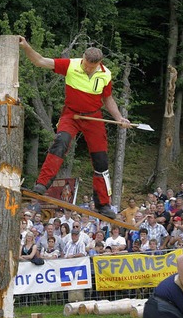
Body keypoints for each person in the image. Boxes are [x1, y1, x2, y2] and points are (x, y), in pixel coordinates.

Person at [19, 37, 130, 219]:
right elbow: (39, 61)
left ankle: (103, 204)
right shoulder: (71, 65)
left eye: (91, 66)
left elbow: (108, 99)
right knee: (60, 142)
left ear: (99, 64)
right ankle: (42, 184)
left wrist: (119, 118)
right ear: (83, 58)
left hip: (94, 116)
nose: (87, 68)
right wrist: (26, 46)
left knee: (101, 160)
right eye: (86, 64)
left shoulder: (105, 75)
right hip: (71, 114)